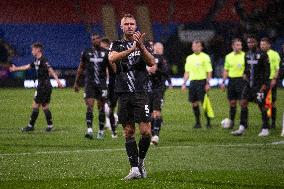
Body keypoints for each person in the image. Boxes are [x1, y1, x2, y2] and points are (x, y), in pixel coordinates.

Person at [108, 14, 155, 180]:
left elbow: (151, 62)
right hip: (124, 93)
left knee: (146, 132)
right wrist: (131, 49)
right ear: (121, 27)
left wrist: (140, 47)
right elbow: (112, 58)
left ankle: (141, 161)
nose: (129, 26)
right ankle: (134, 169)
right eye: (126, 24)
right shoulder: (117, 44)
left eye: (132, 23)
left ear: (136, 25)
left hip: (141, 92)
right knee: (128, 132)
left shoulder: (145, 43)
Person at [9, 42, 63, 132]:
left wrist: (57, 81)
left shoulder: (43, 60)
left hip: (43, 86)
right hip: (45, 85)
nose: (32, 51)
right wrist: (16, 68)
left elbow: (50, 69)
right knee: (45, 105)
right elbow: (28, 66)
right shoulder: (36, 61)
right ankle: (50, 126)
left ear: (38, 49)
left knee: (36, 104)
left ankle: (30, 126)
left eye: (33, 49)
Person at [231, 36, 270, 136]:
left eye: (252, 42)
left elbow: (267, 71)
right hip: (249, 84)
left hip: (259, 85)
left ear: (256, 43)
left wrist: (265, 84)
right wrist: (245, 74)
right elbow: (246, 67)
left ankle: (265, 128)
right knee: (243, 103)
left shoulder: (263, 55)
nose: (250, 44)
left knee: (261, 106)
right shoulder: (247, 54)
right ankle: (242, 127)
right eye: (248, 43)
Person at [74, 33, 108, 140]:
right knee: (89, 106)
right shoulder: (86, 52)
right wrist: (76, 82)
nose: (95, 41)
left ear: (100, 40)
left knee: (101, 108)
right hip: (90, 83)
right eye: (93, 39)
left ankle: (101, 131)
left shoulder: (106, 53)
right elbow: (81, 67)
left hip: (102, 84)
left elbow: (111, 68)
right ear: (91, 41)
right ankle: (89, 130)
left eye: (97, 39)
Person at [182, 40, 212, 128]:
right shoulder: (189, 58)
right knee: (194, 103)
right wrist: (184, 83)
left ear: (201, 47)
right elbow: (187, 72)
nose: (196, 48)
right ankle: (198, 122)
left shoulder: (205, 57)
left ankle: (208, 122)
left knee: (204, 103)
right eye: (194, 46)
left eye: (198, 46)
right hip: (192, 82)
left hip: (202, 82)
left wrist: (208, 83)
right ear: (192, 47)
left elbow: (209, 71)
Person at [147, 41, 171, 145]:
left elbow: (166, 72)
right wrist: (147, 70)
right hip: (146, 90)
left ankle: (156, 135)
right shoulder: (143, 58)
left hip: (158, 89)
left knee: (156, 112)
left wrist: (157, 70)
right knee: (150, 114)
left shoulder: (161, 59)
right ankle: (152, 134)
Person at [220, 38, 245, 129]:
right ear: (233, 46)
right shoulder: (228, 56)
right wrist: (223, 82)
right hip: (232, 81)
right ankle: (232, 122)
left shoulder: (245, 56)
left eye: (240, 45)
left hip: (242, 81)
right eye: (237, 45)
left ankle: (243, 123)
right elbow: (226, 70)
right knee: (232, 102)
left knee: (243, 103)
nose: (239, 47)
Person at [260, 38, 281, 129]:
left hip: (271, 80)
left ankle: (273, 122)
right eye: (261, 44)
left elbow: (277, 68)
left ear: (269, 45)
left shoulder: (274, 54)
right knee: (262, 102)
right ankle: (265, 122)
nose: (262, 46)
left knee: (272, 102)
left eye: (264, 44)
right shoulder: (259, 54)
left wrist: (274, 79)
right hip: (262, 81)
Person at [100, 37, 118, 138]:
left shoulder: (119, 54)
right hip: (113, 84)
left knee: (123, 106)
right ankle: (114, 131)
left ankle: (120, 130)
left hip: (120, 83)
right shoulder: (107, 56)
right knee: (111, 107)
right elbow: (102, 70)